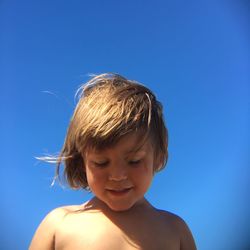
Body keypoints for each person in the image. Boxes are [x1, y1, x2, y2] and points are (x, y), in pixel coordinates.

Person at [29, 73, 196, 250]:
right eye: (101, 163)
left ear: (158, 158)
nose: (117, 175)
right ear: (81, 163)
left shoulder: (175, 230)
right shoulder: (58, 224)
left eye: (134, 161)